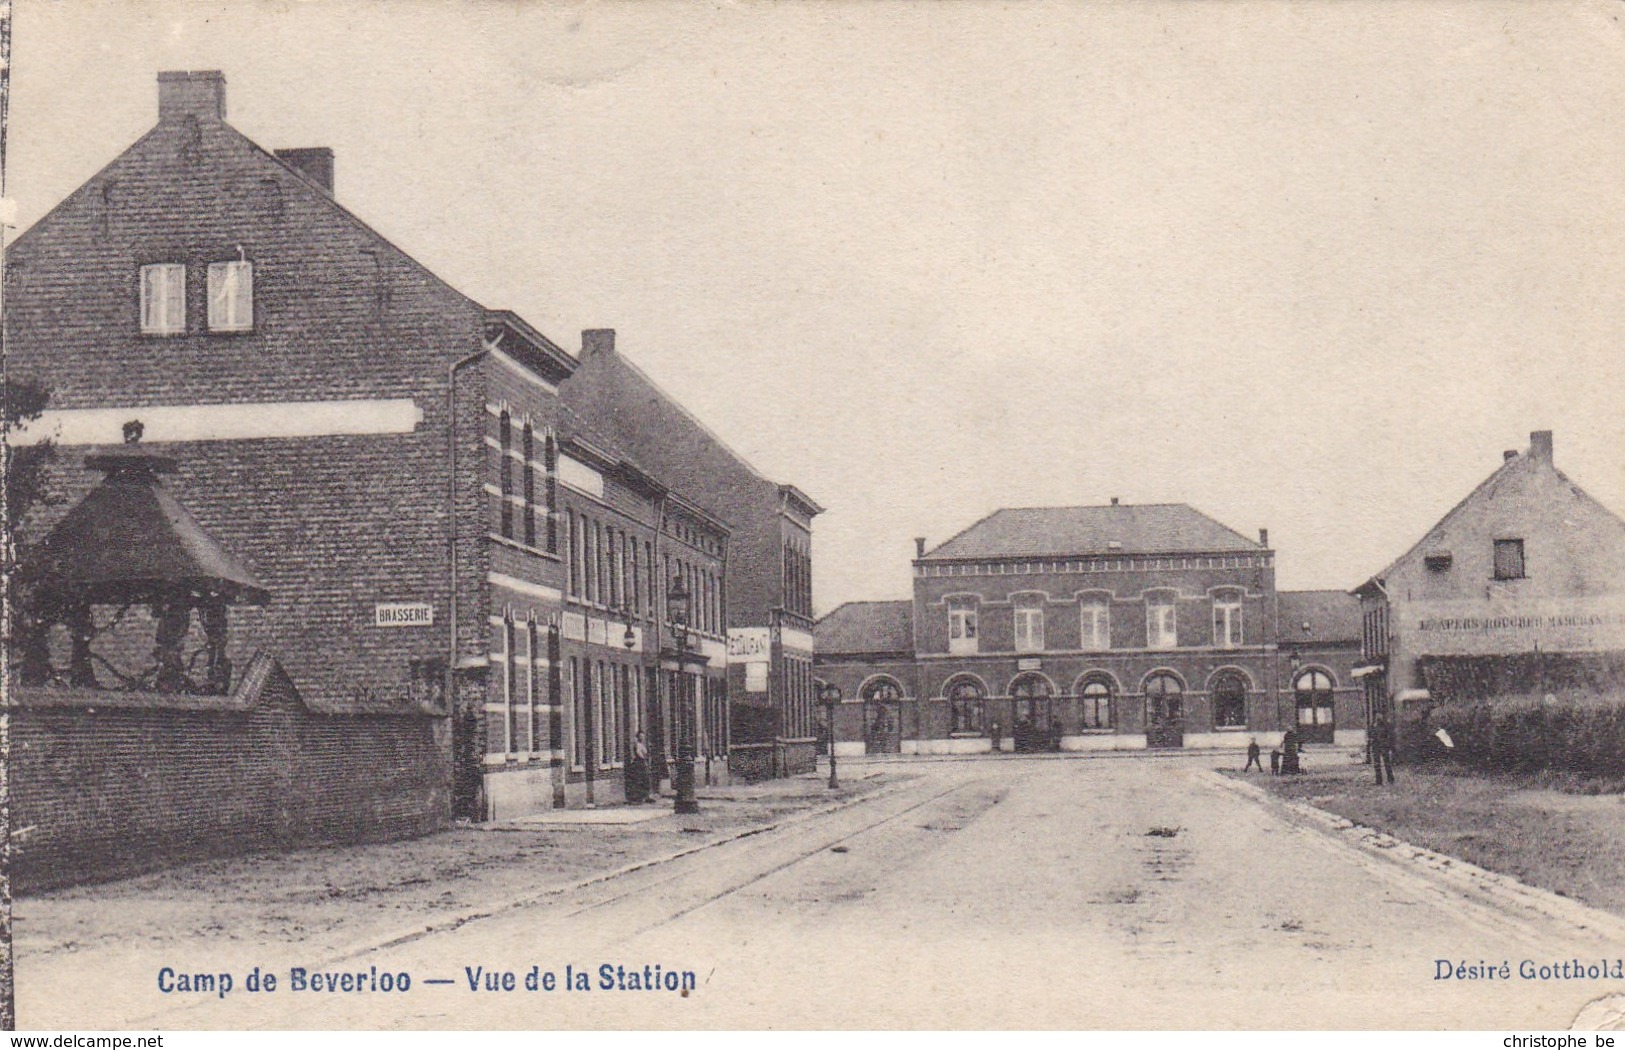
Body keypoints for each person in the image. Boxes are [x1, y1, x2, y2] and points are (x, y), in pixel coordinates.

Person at [626, 731, 651, 804]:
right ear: (638, 737)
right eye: (641, 736)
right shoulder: (637, 745)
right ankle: (639, 798)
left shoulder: (642, 745)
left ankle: (645, 796)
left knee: (645, 779)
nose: (642, 738)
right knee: (640, 779)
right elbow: (638, 753)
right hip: (639, 763)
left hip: (643, 762)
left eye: (643, 736)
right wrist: (644, 758)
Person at [1372, 714, 1396, 785]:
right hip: (1376, 746)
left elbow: (1390, 736)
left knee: (1386, 763)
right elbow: (1371, 736)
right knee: (1377, 764)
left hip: (1384, 746)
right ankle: (1378, 780)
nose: (1378, 718)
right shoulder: (1373, 726)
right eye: (1377, 717)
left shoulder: (1385, 726)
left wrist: (1388, 745)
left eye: (1379, 716)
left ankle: (1390, 778)